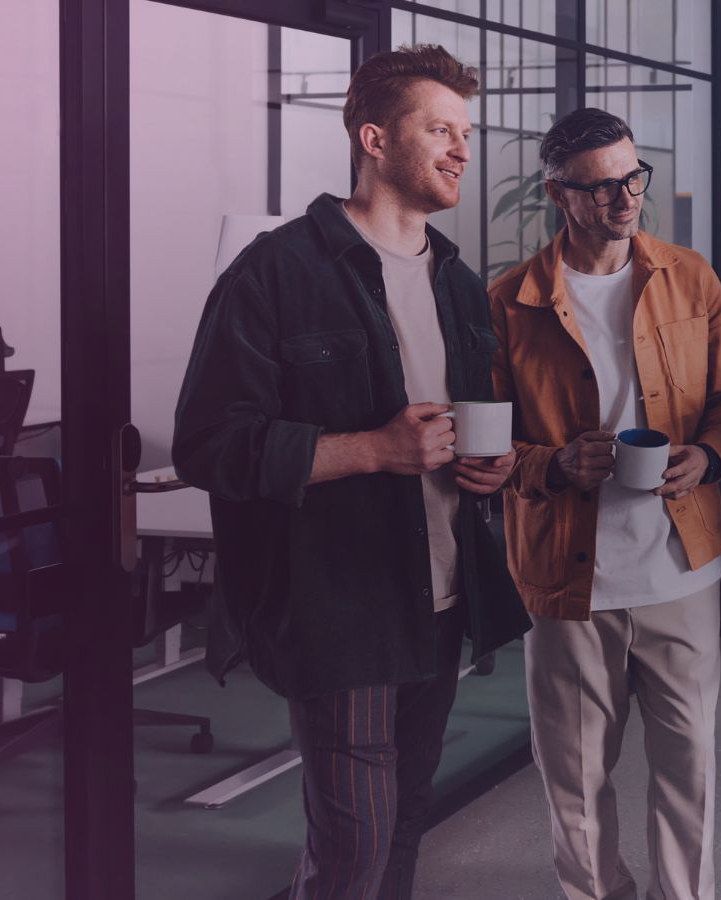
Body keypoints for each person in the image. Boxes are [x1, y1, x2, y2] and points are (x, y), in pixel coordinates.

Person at [171, 45, 532, 900]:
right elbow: (208, 444)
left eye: (466, 132)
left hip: (440, 601)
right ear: (373, 138)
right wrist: (373, 448)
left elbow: (470, 423)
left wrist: (498, 466)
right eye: (440, 129)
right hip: (339, 607)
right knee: (354, 847)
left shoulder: (455, 280)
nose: (462, 150)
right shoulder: (275, 273)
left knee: (405, 822)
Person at [485, 107, 721, 900]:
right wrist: (555, 463)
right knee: (573, 783)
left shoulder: (689, 275)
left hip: (681, 570)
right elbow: (487, 448)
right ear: (557, 194)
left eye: (632, 177)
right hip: (571, 585)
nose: (625, 198)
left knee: (690, 772)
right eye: (600, 187)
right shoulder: (510, 303)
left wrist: (707, 455)